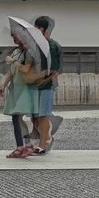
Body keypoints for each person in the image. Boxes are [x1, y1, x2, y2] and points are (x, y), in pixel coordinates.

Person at [26, 15, 61, 153]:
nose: (35, 30)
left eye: (38, 28)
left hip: (46, 86)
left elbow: (54, 70)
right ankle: (46, 137)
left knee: (42, 115)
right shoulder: (34, 46)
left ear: (44, 29)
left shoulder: (51, 46)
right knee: (34, 116)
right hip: (34, 84)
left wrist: (43, 81)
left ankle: (42, 145)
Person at [3, 36, 41, 157]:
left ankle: (21, 146)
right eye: (13, 37)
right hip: (16, 88)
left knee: (16, 117)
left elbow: (25, 69)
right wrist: (3, 85)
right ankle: (26, 145)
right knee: (17, 117)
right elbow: (11, 71)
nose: (14, 39)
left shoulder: (29, 52)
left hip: (26, 89)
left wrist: (13, 61)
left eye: (16, 37)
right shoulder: (16, 51)